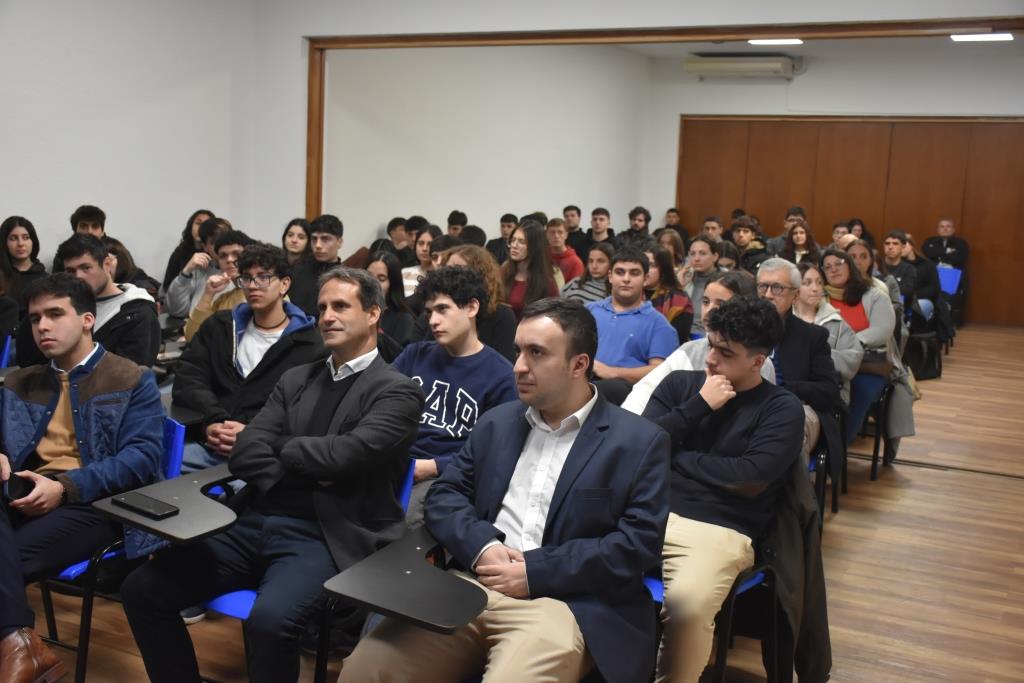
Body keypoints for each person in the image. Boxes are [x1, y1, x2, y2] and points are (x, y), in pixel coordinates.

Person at [341, 297, 670, 683]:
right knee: (366, 669)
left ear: (579, 365)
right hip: (472, 586)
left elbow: (636, 545)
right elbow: (446, 495)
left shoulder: (637, 441)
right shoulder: (497, 423)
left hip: (566, 602)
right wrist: (483, 546)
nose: (519, 366)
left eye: (536, 353)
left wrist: (535, 571)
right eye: (518, 351)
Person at [121, 267, 424, 683]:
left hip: (325, 534)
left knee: (268, 622)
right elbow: (246, 451)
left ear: (373, 314)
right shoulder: (297, 378)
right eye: (322, 307)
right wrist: (307, 465)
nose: (327, 316)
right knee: (142, 590)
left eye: (340, 306)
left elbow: (344, 457)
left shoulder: (397, 391)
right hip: (254, 519)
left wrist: (282, 447)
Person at [0, 274, 163, 683]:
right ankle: (20, 645)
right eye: (35, 318)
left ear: (87, 320)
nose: (42, 326)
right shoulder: (20, 381)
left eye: (55, 314)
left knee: (6, 562)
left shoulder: (131, 377)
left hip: (96, 504)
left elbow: (141, 459)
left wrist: (65, 487)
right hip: (23, 493)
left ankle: (20, 648)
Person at [641, 297, 804, 683]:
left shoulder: (781, 408)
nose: (711, 359)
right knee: (567, 560)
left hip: (718, 529)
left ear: (757, 361)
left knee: (688, 605)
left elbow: (748, 478)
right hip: (646, 511)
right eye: (711, 344)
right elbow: (640, 447)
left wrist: (676, 456)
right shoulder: (681, 385)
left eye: (726, 353)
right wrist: (698, 405)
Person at [172, 244, 324, 473]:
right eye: (246, 278)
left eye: (263, 278)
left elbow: (306, 413)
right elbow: (189, 377)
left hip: (265, 454)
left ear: (284, 284)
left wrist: (252, 433)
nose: (253, 286)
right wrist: (213, 421)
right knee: (157, 465)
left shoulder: (310, 345)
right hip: (209, 444)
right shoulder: (221, 326)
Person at [391, 267, 517, 525]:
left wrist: (434, 466)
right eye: (429, 312)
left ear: (471, 307)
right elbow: (380, 404)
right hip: (394, 459)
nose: (433, 321)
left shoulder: (501, 375)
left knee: (401, 521)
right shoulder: (414, 355)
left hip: (445, 475)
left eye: (442, 309)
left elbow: (496, 452)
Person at [623, 270, 774, 415]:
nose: (709, 310)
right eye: (706, 302)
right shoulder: (690, 349)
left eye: (721, 304)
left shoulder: (758, 361)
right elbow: (646, 389)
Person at [18, 234, 161, 368]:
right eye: (70, 271)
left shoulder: (138, 313)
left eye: (86, 268)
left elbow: (130, 374)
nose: (78, 276)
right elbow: (28, 362)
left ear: (107, 264)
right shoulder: (55, 304)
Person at [757, 258, 841, 460]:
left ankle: (786, 482)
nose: (768, 295)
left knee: (786, 429)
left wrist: (784, 387)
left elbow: (829, 391)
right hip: (750, 404)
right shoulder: (742, 328)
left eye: (777, 288)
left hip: (796, 406)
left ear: (795, 295)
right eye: (763, 287)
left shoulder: (812, 336)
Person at [820, 248, 899, 443]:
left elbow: (882, 330)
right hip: (826, 365)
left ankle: (836, 451)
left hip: (866, 366)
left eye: (838, 263)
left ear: (849, 266)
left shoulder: (874, 295)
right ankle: (814, 445)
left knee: (856, 393)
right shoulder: (819, 298)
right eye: (827, 267)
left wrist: (848, 344)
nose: (833, 269)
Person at [586, 246, 678, 385]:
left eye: (634, 273)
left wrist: (611, 372)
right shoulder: (589, 310)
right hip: (581, 381)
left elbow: (661, 371)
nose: (626, 279)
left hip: (624, 391)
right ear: (610, 276)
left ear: (645, 279)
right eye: (620, 272)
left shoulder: (659, 324)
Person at [793, 262, 863, 405]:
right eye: (807, 283)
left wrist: (815, 355)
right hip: (790, 394)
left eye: (819, 283)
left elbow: (852, 359)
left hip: (828, 396)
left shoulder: (836, 321)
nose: (815, 288)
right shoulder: (784, 320)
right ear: (795, 288)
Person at [441, 245, 517, 363]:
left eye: (459, 271)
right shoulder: (439, 311)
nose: (451, 278)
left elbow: (504, 365)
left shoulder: (502, 316)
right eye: (447, 271)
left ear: (480, 275)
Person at [182, 230, 253, 341]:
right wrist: (208, 294)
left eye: (236, 254)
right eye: (223, 256)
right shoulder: (223, 299)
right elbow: (192, 336)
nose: (229, 260)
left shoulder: (265, 291)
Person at [164, 216, 232, 318]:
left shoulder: (242, 270)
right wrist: (186, 272)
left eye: (225, 240)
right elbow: (176, 311)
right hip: (197, 325)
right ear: (205, 247)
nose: (221, 246)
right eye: (214, 242)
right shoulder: (200, 270)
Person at [500, 220, 558, 320]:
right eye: (513, 240)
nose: (514, 245)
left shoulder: (546, 282)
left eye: (521, 242)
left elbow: (552, 317)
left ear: (534, 247)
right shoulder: (503, 271)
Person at [289, 214, 344, 316]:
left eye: (325, 239)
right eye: (314, 239)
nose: (318, 245)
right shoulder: (297, 270)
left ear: (339, 242)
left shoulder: (345, 278)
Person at [366, 250, 417, 347]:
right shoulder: (352, 311)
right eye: (368, 276)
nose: (372, 283)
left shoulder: (403, 320)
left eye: (381, 279)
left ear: (392, 284)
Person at [0, 216, 48, 317]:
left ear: (33, 241)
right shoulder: (2, 277)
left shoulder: (46, 279)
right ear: (4, 243)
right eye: (13, 238)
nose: (20, 244)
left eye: (26, 237)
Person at [645, 246, 694, 344]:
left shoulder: (680, 300)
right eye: (643, 264)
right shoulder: (629, 295)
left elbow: (677, 338)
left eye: (652, 265)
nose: (645, 269)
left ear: (663, 269)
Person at [163, 209, 215, 293]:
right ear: (191, 226)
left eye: (206, 224)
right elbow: (168, 286)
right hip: (182, 296)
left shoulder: (215, 251)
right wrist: (187, 270)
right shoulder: (180, 251)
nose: (201, 228)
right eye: (198, 223)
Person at [684, 234, 720, 335]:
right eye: (692, 254)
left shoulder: (724, 280)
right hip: (684, 334)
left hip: (711, 335)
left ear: (715, 256)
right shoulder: (683, 277)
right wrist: (678, 286)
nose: (696, 258)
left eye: (702, 253)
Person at [902, 235, 940, 322]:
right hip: (900, 299)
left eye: (903, 245)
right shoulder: (897, 264)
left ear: (911, 245)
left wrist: (913, 296)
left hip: (921, 298)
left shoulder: (927, 264)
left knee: (919, 306)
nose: (900, 248)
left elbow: (934, 288)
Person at [402, 223, 441, 297]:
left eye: (429, 244)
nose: (424, 248)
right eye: (420, 243)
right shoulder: (404, 273)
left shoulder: (443, 275)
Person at [546, 217, 584, 284]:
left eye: (560, 232)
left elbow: (575, 288)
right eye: (552, 232)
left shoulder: (575, 262)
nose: (556, 236)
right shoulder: (541, 257)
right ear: (546, 235)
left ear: (566, 235)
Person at [881, 231, 917, 300]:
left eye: (895, 243)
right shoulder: (877, 267)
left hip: (902, 304)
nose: (890, 247)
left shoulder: (909, 269)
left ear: (903, 247)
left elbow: (907, 291)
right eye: (887, 243)